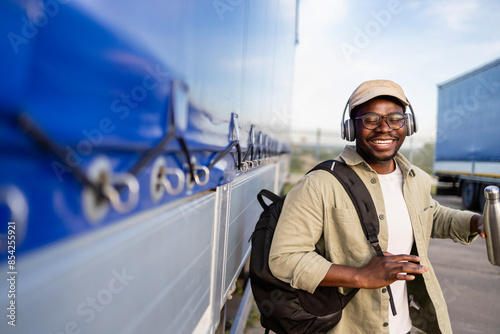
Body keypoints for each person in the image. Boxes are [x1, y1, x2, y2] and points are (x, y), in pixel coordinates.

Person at [268, 80, 485, 334]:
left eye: (395, 118)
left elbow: (431, 215)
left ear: (408, 125)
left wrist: (475, 221)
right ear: (350, 128)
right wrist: (360, 276)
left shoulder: (416, 180)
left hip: (403, 327)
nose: (384, 128)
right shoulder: (319, 184)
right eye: (371, 119)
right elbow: (284, 258)